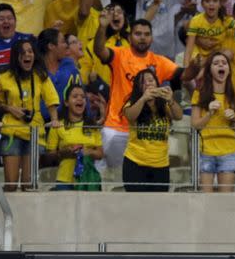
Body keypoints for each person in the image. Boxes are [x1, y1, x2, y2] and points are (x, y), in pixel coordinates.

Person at [93, 12, 182, 169]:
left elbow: (184, 74)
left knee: (138, 177)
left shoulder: (159, 61)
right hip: (116, 128)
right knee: (114, 177)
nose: (142, 37)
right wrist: (102, 27)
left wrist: (196, 65)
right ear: (129, 37)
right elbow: (99, 50)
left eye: (147, 34)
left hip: (144, 131)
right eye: (138, 34)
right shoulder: (119, 55)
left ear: (152, 38)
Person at [0, 39, 60, 191]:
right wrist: (10, 108)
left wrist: (55, 119)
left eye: (30, 51)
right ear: (16, 57)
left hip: (34, 134)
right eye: (23, 52)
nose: (27, 55)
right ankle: (8, 215)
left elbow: (51, 100)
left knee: (28, 186)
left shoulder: (41, 76)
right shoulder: (4, 77)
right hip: (12, 133)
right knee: (10, 185)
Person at [122, 68, 182, 192]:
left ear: (157, 83)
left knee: (158, 206)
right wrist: (143, 99)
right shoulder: (131, 104)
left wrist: (171, 100)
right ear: (138, 87)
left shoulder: (165, 105)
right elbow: (130, 116)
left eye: (151, 80)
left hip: (160, 165)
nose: (148, 84)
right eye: (143, 82)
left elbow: (178, 116)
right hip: (135, 163)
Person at [191, 52, 235, 192]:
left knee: (225, 201)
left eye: (224, 63)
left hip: (229, 152)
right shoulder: (199, 94)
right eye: (216, 63)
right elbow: (195, 125)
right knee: (206, 201)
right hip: (205, 151)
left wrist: (234, 119)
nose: (221, 65)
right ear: (209, 70)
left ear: (229, 70)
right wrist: (209, 114)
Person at [46, 84, 103, 191]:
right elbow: (49, 157)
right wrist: (64, 153)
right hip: (64, 181)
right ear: (66, 102)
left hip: (88, 180)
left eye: (82, 96)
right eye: (75, 96)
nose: (80, 99)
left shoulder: (92, 126)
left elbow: (100, 154)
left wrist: (88, 152)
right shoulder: (57, 125)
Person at [37, 28, 82, 122]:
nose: (66, 45)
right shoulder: (36, 72)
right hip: (40, 126)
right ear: (51, 46)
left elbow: (82, 95)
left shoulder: (71, 69)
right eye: (63, 42)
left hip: (67, 125)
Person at [0, 3, 33, 76]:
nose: (6, 21)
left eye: (9, 18)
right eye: (1, 19)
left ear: (15, 21)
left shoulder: (29, 40)